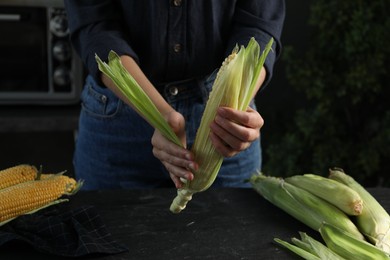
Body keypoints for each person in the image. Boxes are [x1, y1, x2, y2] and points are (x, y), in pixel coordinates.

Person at [64, 0, 285, 190]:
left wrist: (236, 110)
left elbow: (259, 23)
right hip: (117, 123)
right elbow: (95, 26)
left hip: (223, 132)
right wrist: (159, 114)